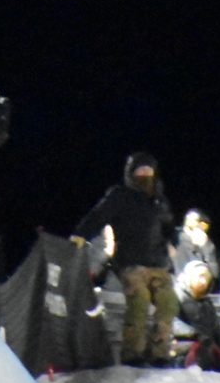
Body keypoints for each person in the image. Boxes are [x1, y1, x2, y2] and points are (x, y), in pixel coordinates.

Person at [73, 149, 179, 366]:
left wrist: (173, 242)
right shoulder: (120, 195)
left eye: (149, 170)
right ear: (131, 174)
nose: (145, 174)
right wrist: (80, 235)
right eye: (140, 170)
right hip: (131, 262)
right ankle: (133, 353)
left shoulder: (159, 199)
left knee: (168, 303)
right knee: (138, 300)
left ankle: (160, 352)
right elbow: (97, 216)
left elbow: (169, 226)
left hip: (158, 262)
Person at [172, 260, 220, 370]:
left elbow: (216, 329)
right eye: (200, 277)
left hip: (205, 354)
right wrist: (193, 333)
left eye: (206, 278)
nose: (203, 282)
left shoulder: (206, 302)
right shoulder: (176, 296)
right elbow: (170, 321)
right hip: (182, 353)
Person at [171, 208, 220, 281]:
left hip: (201, 287)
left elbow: (215, 275)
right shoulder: (174, 239)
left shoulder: (208, 245)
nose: (201, 230)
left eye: (204, 227)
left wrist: (207, 247)